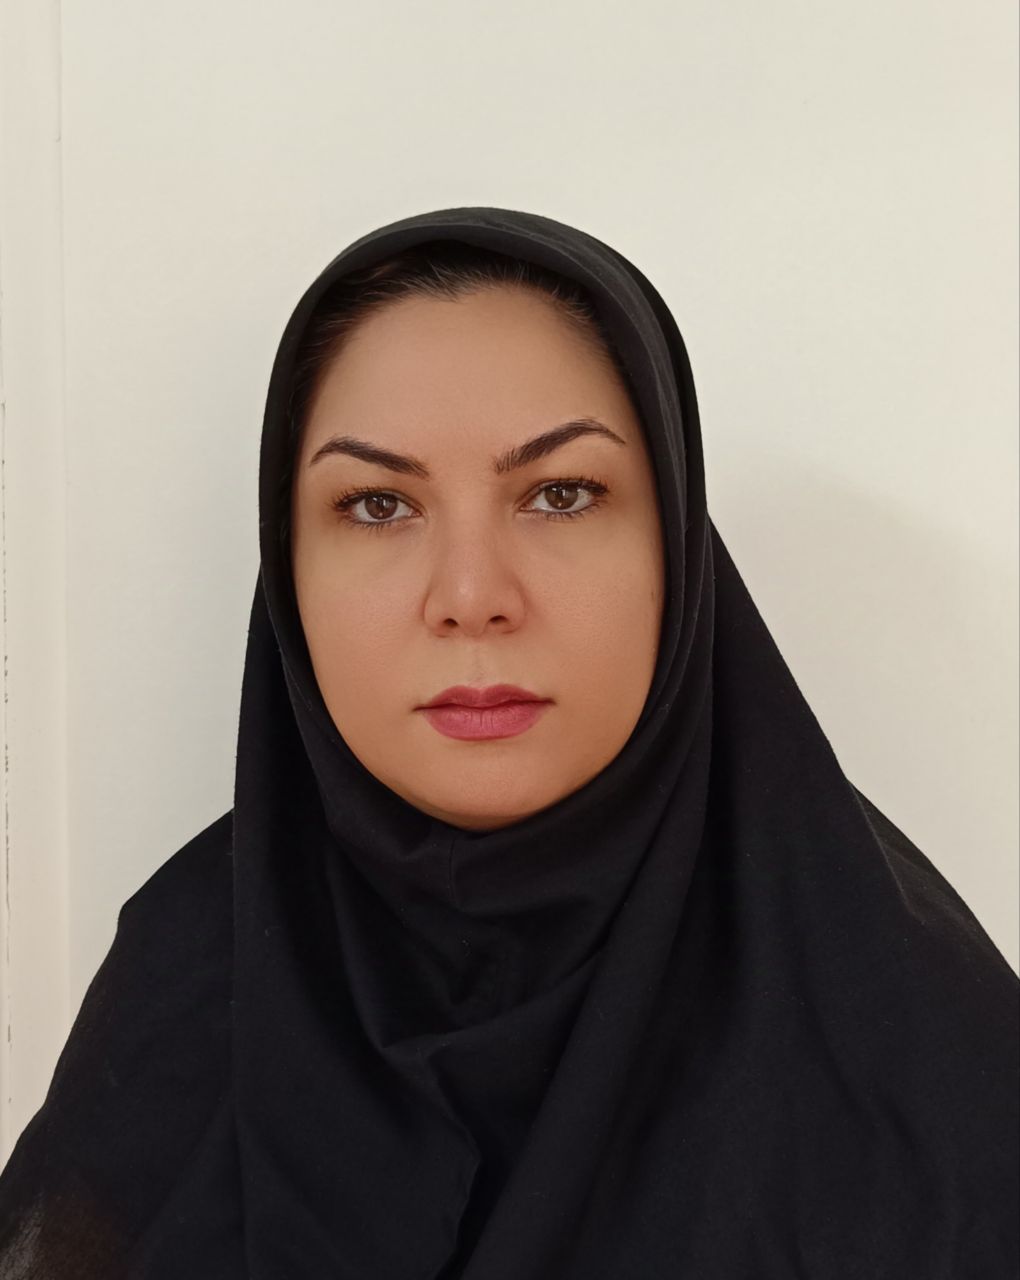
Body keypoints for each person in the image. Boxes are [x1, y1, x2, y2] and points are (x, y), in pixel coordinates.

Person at [0, 206, 1016, 1278]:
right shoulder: (189, 982)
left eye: (561, 494)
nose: (471, 594)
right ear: (286, 569)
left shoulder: (916, 1055)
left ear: (676, 548)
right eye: (378, 504)